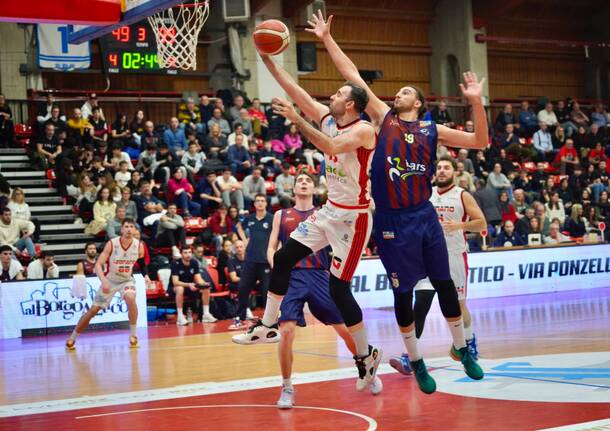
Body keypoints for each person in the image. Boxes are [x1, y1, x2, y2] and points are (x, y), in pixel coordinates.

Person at [306, 12, 484, 393]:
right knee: (403, 294)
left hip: (423, 215)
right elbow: (353, 74)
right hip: (390, 220)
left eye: (405, 91)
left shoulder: (432, 129)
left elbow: (480, 142)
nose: (397, 94)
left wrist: (477, 103)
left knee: (444, 286)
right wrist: (326, 39)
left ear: (417, 102)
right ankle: (416, 361)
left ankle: (462, 348)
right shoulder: (382, 119)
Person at [232, 25, 382, 394]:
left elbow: (330, 145)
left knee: (339, 289)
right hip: (330, 210)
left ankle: (366, 355)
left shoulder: (364, 131)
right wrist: (268, 60)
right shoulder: (330, 116)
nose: (331, 95)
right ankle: (267, 325)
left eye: (338, 93)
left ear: (350, 104)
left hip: (353, 218)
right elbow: (295, 91)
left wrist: (297, 122)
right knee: (283, 259)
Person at [262, 171, 382, 407]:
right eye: (300, 181)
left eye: (308, 180)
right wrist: (279, 268)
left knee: (344, 330)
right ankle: (286, 387)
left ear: (315, 189)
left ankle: (368, 369)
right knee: (286, 331)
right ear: (293, 188)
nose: (304, 183)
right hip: (293, 277)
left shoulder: (324, 213)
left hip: (319, 274)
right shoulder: (281, 215)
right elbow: (271, 247)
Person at [390, 156, 487, 376]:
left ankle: (469, 344)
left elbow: (481, 222)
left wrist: (460, 225)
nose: (442, 171)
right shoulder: (426, 194)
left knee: (459, 305)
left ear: (455, 172)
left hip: (453, 255)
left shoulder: (462, 195)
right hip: (427, 256)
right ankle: (410, 358)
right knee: (421, 304)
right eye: (440, 168)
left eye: (446, 168)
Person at [66, 218, 149, 350]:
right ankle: (72, 337)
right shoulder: (112, 243)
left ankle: (133, 335)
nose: (129, 229)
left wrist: (146, 275)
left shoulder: (139, 246)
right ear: (121, 229)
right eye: (126, 226)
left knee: (130, 297)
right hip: (110, 280)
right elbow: (98, 264)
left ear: (135, 230)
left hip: (126, 280)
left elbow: (143, 263)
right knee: (93, 310)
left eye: (131, 226)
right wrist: (103, 280)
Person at [229, 194, 274, 328]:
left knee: (267, 293)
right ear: (254, 204)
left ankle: (269, 321)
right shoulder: (249, 219)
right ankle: (240, 318)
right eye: (257, 201)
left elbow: (277, 236)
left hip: (265, 262)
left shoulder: (271, 219)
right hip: (250, 261)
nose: (260, 203)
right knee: (242, 289)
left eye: (262, 201)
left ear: (266, 203)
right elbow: (238, 227)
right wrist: (244, 240)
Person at [168, 246, 217, 325]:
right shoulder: (175, 263)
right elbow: (175, 282)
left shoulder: (194, 262)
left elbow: (198, 278)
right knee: (180, 289)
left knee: (206, 288)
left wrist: (204, 284)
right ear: (181, 254)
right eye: (185, 253)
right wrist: (189, 285)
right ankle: (180, 317)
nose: (188, 255)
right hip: (175, 288)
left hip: (190, 287)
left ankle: (206, 314)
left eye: (189, 252)